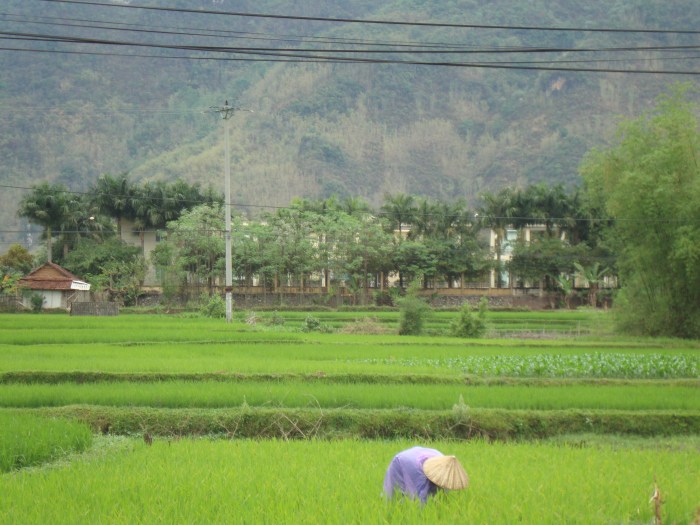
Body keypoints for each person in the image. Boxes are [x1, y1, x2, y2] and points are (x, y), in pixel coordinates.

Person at [383, 446, 469, 504]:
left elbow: (443, 492)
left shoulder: (446, 466)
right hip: (403, 462)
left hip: (420, 458)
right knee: (396, 497)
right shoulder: (416, 471)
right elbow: (419, 494)